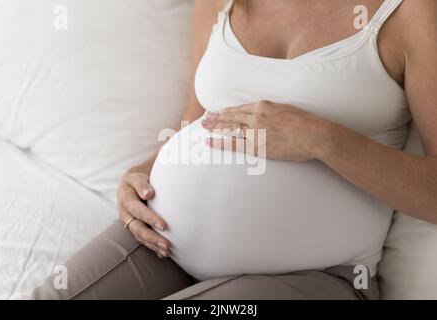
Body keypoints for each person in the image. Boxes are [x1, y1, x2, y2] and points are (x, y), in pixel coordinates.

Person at [31, 0, 437, 300]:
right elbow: (195, 122)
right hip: (164, 243)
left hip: (314, 276)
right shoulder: (221, 3)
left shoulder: (410, 14)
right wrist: (139, 175)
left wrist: (321, 139)